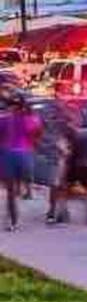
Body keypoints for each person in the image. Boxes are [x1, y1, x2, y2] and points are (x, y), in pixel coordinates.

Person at [0, 94, 40, 231]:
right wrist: (32, 146)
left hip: (8, 155)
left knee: (10, 191)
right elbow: (36, 134)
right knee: (16, 186)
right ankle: (23, 192)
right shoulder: (30, 120)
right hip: (24, 154)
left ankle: (13, 220)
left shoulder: (4, 120)